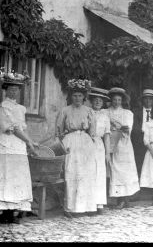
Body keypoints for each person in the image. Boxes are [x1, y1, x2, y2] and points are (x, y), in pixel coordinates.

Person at [56, 78, 98, 217]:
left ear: (84, 97)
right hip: (70, 142)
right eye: (75, 95)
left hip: (85, 142)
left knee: (87, 174)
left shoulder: (89, 111)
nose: (77, 98)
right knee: (71, 173)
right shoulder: (65, 111)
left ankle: (87, 206)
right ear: (71, 97)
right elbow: (59, 131)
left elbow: (93, 130)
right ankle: (70, 208)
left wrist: (90, 143)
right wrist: (63, 145)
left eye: (80, 95)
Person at [0, 71, 37, 224]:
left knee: (17, 176)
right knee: (7, 175)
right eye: (11, 89)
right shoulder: (3, 106)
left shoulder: (21, 108)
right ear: (6, 90)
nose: (13, 91)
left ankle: (14, 211)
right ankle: (5, 212)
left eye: (16, 89)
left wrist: (30, 142)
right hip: (7, 144)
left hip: (19, 145)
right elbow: (13, 128)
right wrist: (28, 141)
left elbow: (22, 127)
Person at [106, 87, 140, 209]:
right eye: (114, 100)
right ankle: (118, 199)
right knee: (115, 171)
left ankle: (126, 199)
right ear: (111, 100)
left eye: (119, 100)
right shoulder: (106, 112)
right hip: (111, 143)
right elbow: (105, 128)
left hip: (124, 144)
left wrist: (117, 126)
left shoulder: (127, 113)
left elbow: (127, 128)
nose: (116, 102)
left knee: (126, 171)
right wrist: (114, 127)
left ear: (122, 101)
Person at [88, 87, 112, 214]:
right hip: (87, 144)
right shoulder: (87, 113)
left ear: (103, 103)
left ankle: (99, 204)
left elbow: (107, 135)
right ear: (91, 101)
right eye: (95, 100)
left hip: (99, 145)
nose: (97, 102)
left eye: (100, 101)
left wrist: (107, 153)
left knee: (99, 173)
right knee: (89, 173)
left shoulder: (105, 117)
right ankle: (89, 204)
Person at [131, 89, 153, 178]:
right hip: (139, 139)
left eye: (150, 99)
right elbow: (134, 127)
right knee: (139, 161)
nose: (148, 101)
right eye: (146, 99)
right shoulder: (135, 111)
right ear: (142, 100)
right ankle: (139, 182)